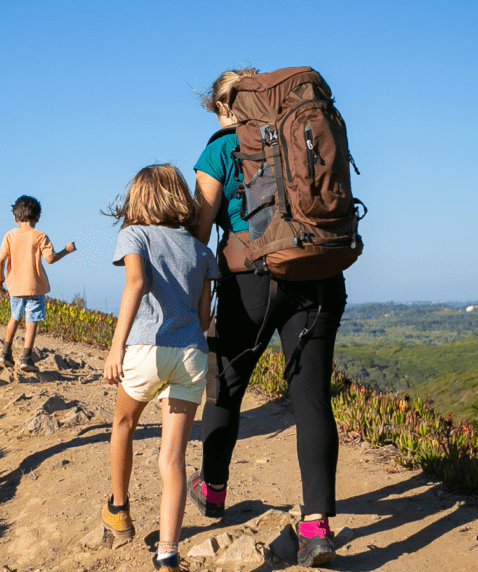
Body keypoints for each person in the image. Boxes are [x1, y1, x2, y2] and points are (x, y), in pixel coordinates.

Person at [187, 68, 348, 568]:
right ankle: (316, 527)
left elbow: (198, 228)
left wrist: (197, 294)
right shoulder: (307, 132)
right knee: (312, 398)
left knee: (226, 386)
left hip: (250, 279)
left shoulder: (220, 148)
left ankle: (213, 491)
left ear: (225, 107)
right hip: (319, 270)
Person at [100, 164, 218, 572]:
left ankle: (118, 510)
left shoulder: (135, 234)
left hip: (146, 349)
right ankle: (168, 552)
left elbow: (134, 284)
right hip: (191, 355)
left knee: (123, 426)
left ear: (139, 199)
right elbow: (204, 318)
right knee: (173, 458)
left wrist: (116, 347)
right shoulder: (201, 250)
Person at [0, 195, 76, 371]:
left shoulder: (9, 235)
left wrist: (0, 278)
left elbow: (0, 259)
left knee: (14, 319)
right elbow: (50, 259)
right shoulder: (40, 236)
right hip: (35, 287)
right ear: (37, 217)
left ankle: (6, 354)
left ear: (15, 217)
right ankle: (26, 358)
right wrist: (66, 251)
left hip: (14, 286)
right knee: (32, 321)